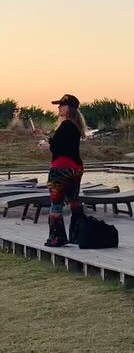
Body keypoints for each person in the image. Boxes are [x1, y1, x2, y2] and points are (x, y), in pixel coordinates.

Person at [32, 94, 87, 247]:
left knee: (56, 204)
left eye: (62, 105)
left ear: (69, 108)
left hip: (60, 169)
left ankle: (57, 237)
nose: (58, 108)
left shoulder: (65, 125)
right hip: (75, 168)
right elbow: (63, 144)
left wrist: (47, 146)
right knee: (74, 201)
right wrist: (45, 136)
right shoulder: (74, 126)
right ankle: (78, 234)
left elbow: (58, 147)